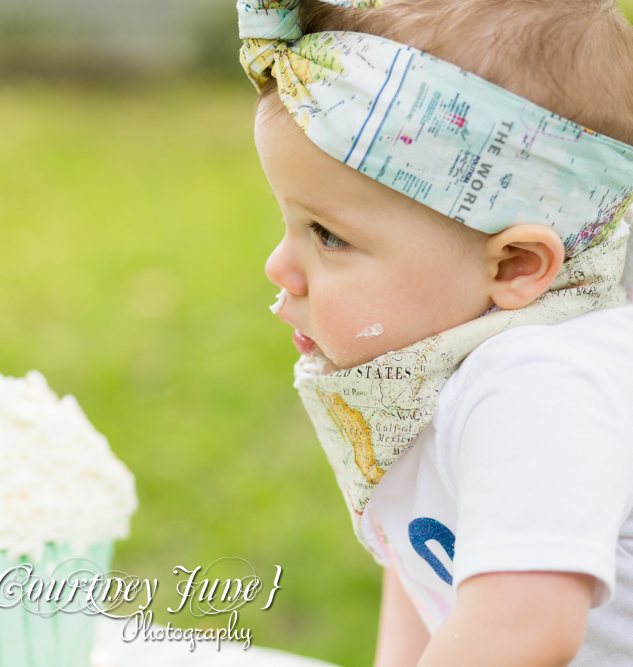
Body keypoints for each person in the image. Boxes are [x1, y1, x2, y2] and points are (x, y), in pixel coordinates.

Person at [240, 0, 633, 665]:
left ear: (514, 265)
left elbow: (524, 626)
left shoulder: (538, 384)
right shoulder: (441, 363)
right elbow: (426, 557)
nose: (279, 265)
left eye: (328, 235)